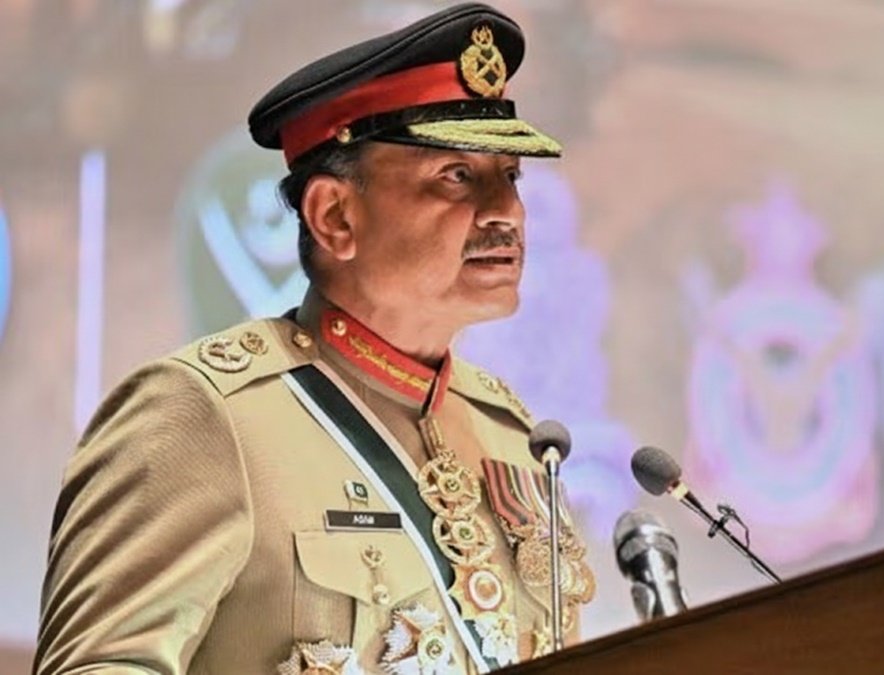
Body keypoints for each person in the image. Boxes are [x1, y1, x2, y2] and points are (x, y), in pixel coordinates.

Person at [35, 3, 595, 673]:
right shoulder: (207, 415)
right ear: (334, 216)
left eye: (511, 177)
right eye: (456, 176)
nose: (507, 212)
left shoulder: (515, 436)